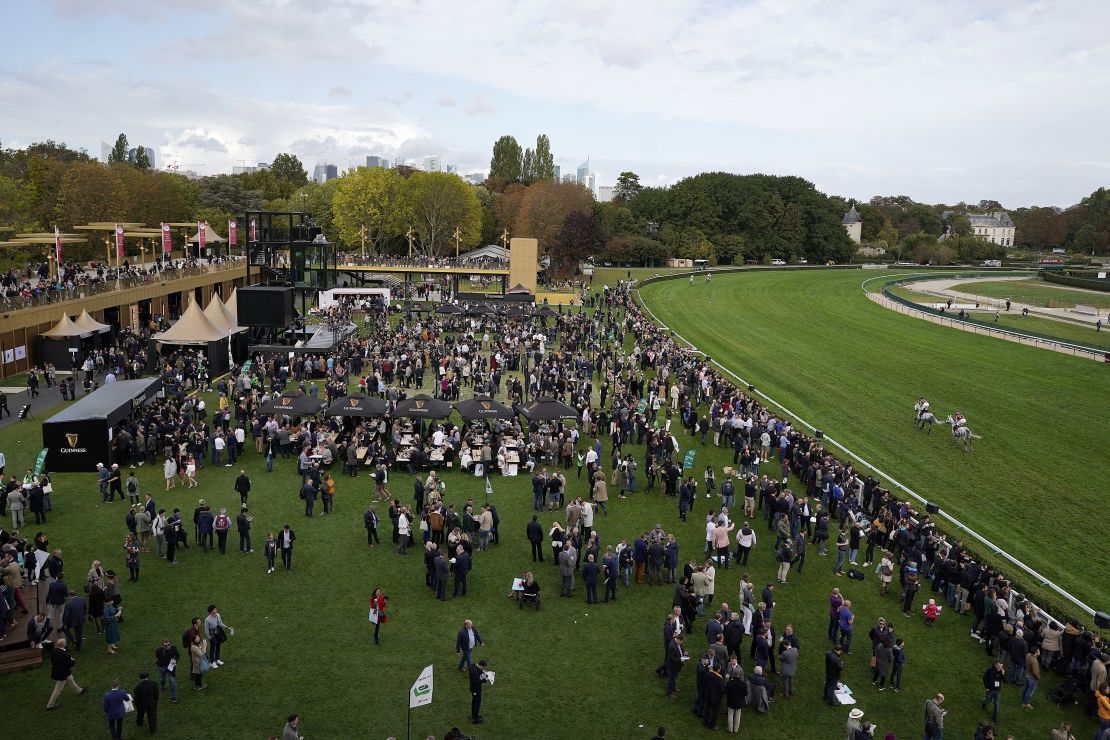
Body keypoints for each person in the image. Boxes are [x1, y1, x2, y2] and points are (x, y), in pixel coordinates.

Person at [47, 637, 86, 709]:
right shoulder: (65, 654)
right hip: (62, 674)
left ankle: (78, 691)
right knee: (58, 688)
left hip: (58, 671)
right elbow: (70, 664)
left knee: (70, 679)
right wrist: (73, 660)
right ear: (64, 645)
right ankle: (50, 705)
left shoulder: (54, 651)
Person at [154, 638, 180, 703]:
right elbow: (157, 658)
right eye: (165, 645)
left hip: (170, 668)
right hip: (162, 667)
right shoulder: (158, 651)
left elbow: (178, 655)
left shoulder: (173, 648)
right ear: (162, 645)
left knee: (172, 682)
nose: (167, 646)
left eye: (168, 644)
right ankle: (163, 685)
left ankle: (173, 697)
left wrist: (175, 661)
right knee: (162, 679)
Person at [980, 659, 1005, 723]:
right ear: (995, 665)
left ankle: (993, 718)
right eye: (999, 666)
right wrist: (987, 688)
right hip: (990, 690)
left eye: (1001, 666)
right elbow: (984, 678)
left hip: (998, 691)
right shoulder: (990, 670)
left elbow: (1005, 681)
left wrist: (1003, 674)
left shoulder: (1001, 671)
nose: (1000, 668)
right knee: (988, 700)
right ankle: (983, 703)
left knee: (997, 705)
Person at [469, 659, 490, 724]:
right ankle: (475, 719)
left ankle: (474, 715)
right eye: (483, 667)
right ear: (480, 665)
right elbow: (478, 682)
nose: (483, 669)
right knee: (477, 703)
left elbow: (477, 672)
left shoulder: (473, 666)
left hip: (473, 689)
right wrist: (485, 679)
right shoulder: (474, 672)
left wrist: (482, 672)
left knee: (474, 702)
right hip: (476, 690)